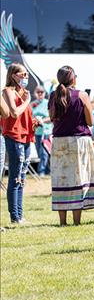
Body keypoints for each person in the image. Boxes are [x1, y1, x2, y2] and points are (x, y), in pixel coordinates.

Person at [49, 65, 94, 226]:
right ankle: (76, 221)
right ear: (74, 79)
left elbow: (52, 117)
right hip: (78, 141)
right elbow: (90, 122)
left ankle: (62, 222)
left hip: (59, 142)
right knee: (78, 180)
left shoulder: (53, 95)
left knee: (61, 181)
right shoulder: (82, 95)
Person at [1, 63, 35, 224]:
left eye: (27, 74)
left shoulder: (24, 93)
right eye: (22, 74)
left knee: (22, 177)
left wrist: (34, 122)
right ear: (13, 75)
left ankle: (20, 215)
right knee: (15, 177)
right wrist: (27, 101)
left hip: (27, 137)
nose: (25, 77)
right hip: (14, 137)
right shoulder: (8, 91)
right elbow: (13, 113)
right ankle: (14, 216)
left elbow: (24, 116)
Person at [30, 86, 52, 177]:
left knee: (44, 151)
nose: (40, 94)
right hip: (36, 132)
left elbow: (51, 117)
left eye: (41, 92)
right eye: (38, 92)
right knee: (40, 152)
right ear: (35, 93)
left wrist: (42, 121)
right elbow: (30, 117)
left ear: (44, 93)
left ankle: (41, 171)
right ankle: (47, 170)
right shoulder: (32, 104)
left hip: (46, 131)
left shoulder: (48, 103)